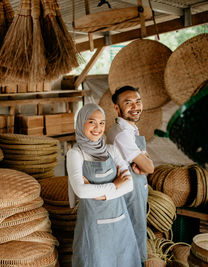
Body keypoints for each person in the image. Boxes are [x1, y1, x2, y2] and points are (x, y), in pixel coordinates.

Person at [67, 103, 141, 267]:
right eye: (91, 121)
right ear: (80, 123)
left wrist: (99, 193)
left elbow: (129, 185)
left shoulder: (112, 150)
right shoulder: (75, 154)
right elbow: (80, 190)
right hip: (93, 224)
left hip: (120, 221)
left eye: (101, 123)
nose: (97, 128)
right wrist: (115, 185)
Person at [106, 86, 155, 266]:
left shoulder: (131, 130)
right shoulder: (121, 135)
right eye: (128, 103)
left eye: (138, 101)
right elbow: (148, 166)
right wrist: (144, 162)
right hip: (129, 194)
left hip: (137, 191)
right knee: (132, 236)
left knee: (135, 234)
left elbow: (145, 161)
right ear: (117, 108)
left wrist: (144, 160)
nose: (135, 106)